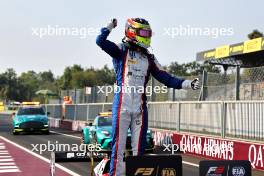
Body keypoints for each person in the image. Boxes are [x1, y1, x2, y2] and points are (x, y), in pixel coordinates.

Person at [96, 18, 199, 176]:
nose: (147, 36)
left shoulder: (149, 58)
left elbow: (167, 78)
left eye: (149, 33)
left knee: (139, 151)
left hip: (140, 110)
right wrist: (109, 26)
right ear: (132, 31)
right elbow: (100, 41)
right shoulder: (121, 49)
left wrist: (188, 84)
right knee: (118, 148)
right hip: (121, 107)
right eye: (144, 32)